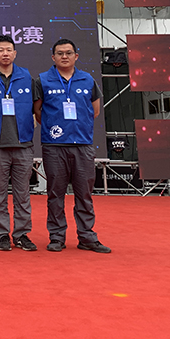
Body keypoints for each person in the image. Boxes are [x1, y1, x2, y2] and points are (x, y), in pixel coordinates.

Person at [33, 38, 111, 254]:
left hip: (82, 145)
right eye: (60, 53)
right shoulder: (43, 80)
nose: (64, 56)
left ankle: (87, 236)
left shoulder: (87, 79)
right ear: (53, 57)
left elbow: (95, 110)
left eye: (68, 53)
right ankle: (57, 237)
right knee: (55, 193)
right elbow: (38, 111)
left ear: (76, 56)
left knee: (84, 193)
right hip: (54, 145)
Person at [0, 34, 39, 252]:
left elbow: (34, 107)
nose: (5, 54)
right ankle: (2, 234)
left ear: (15, 53)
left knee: (23, 194)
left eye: (9, 50)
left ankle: (21, 234)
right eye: (0, 50)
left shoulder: (26, 77)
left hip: (23, 145)